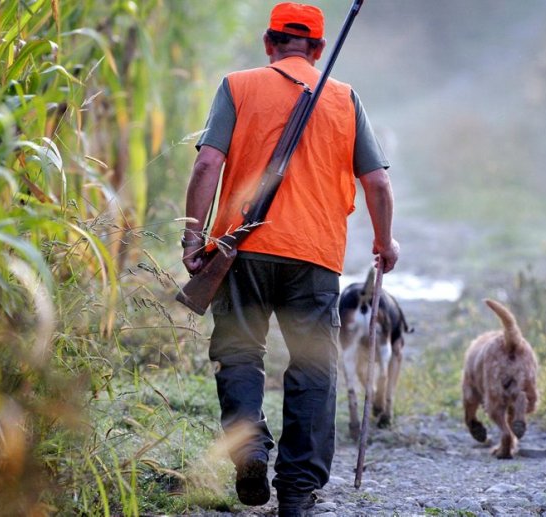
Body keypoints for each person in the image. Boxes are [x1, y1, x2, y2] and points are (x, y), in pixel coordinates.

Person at [180, 3, 399, 515]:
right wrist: (385, 243)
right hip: (315, 257)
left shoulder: (237, 85)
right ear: (317, 51)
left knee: (238, 354)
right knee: (312, 367)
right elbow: (379, 182)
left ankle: (250, 449)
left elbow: (207, 164)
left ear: (268, 43)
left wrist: (193, 238)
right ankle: (298, 491)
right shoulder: (344, 98)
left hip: (241, 250)